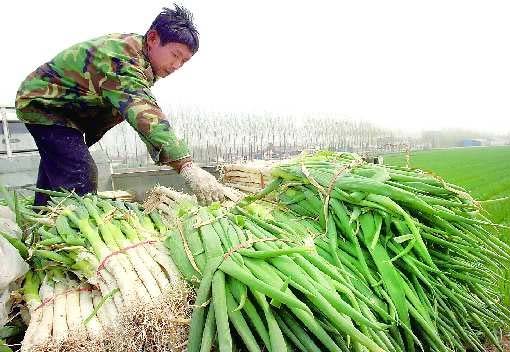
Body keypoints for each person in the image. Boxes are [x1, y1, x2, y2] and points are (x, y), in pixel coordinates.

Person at [15, 4, 224, 206]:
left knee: (57, 172)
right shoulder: (122, 60)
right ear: (152, 38)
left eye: (184, 61)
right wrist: (186, 165)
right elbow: (144, 110)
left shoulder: (142, 59)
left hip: (68, 114)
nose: (177, 66)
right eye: (175, 55)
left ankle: (39, 225)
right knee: (80, 172)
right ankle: (77, 231)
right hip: (46, 105)